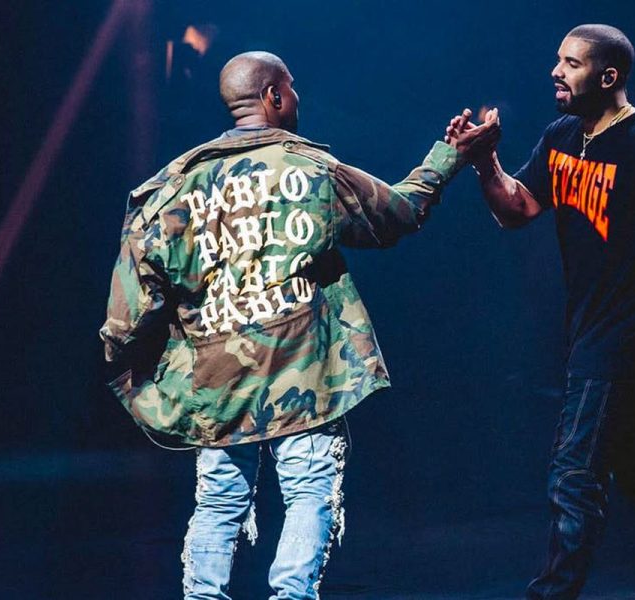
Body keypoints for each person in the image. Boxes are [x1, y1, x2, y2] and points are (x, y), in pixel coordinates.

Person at [100, 51, 498, 600]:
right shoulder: (310, 171)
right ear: (274, 97)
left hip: (216, 379)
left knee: (218, 502)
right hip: (304, 376)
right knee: (308, 490)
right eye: (291, 88)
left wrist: (128, 371)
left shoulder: (171, 190)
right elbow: (399, 213)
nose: (296, 98)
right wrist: (448, 156)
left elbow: (130, 306)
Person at [446, 24, 635, 600]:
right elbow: (519, 208)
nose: (556, 71)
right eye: (557, 60)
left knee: (575, 474)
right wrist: (485, 165)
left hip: (634, 331)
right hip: (593, 328)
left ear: (608, 77)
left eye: (572, 63)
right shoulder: (562, 136)